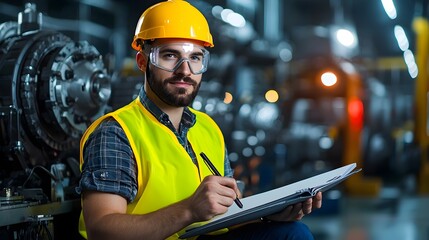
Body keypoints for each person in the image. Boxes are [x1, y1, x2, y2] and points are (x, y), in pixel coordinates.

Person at [77, 0, 322, 239]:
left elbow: (226, 215)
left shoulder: (208, 128)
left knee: (292, 233)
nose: (185, 70)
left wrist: (271, 215)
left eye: (195, 58)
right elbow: (102, 229)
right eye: (170, 55)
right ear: (143, 61)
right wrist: (189, 210)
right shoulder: (116, 132)